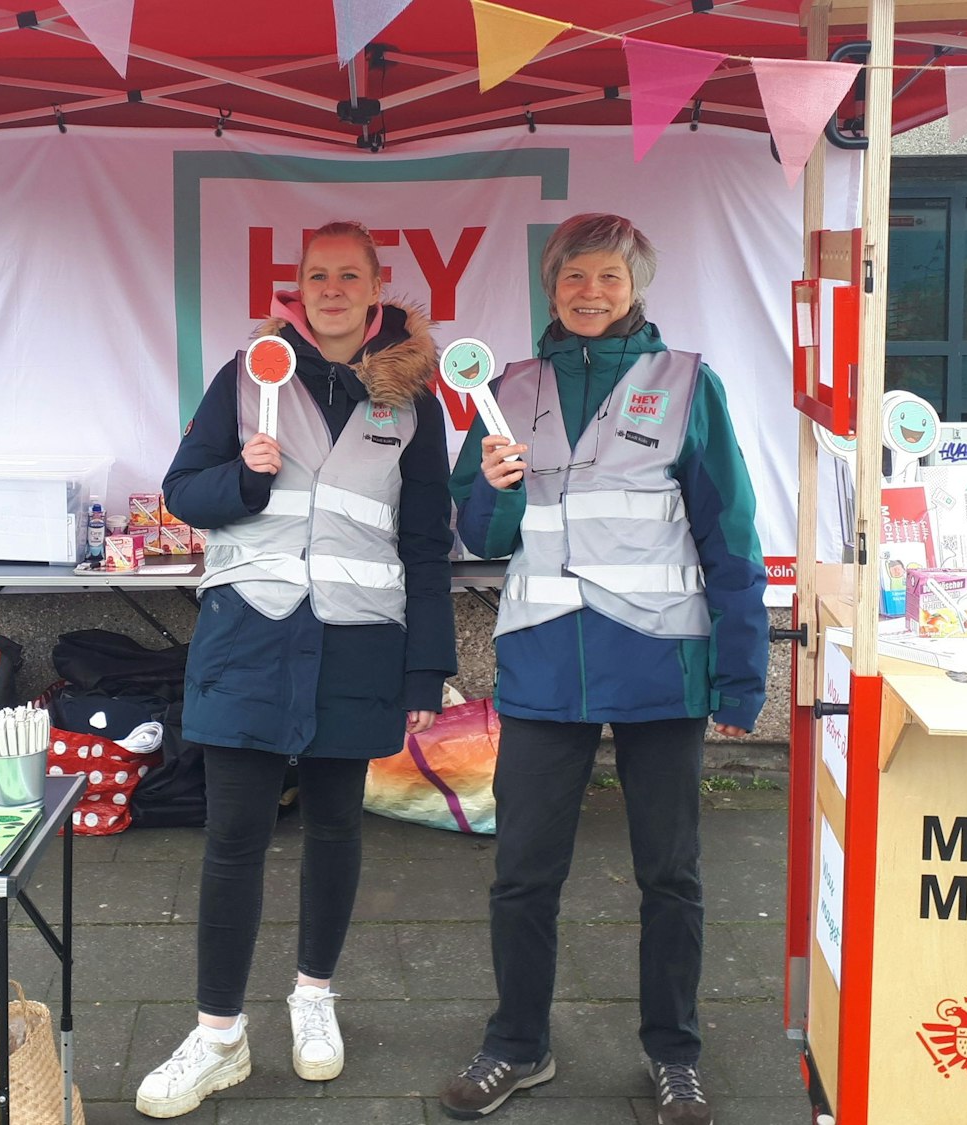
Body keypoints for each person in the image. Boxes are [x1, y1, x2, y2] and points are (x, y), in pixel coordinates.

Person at [438, 214, 768, 1125]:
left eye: (610, 279)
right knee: (522, 871)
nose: (590, 293)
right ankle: (517, 1043)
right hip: (546, 653)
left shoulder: (688, 382)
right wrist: (492, 486)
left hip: (663, 657)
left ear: (637, 288)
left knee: (672, 873)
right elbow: (483, 537)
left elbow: (730, 532)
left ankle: (675, 1054)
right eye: (575, 277)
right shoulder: (507, 388)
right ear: (552, 286)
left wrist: (742, 675)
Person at [136, 221, 457, 1118]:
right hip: (251, 638)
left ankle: (314, 1000)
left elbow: (426, 543)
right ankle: (219, 1035)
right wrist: (242, 474)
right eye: (317, 274)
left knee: (335, 830)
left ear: (378, 285)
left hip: (360, 643)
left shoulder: (413, 403)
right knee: (233, 838)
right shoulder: (246, 377)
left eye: (348, 275)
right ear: (298, 285)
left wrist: (427, 670)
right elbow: (182, 491)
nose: (331, 289)